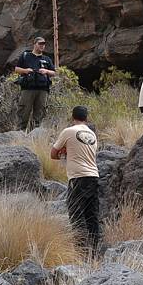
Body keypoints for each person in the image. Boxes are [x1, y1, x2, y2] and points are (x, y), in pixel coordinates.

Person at [51, 105, 101, 248]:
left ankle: (80, 249)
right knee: (92, 216)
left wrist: (64, 152)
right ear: (86, 118)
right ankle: (94, 251)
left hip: (78, 177)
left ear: (73, 117)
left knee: (76, 213)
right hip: (93, 176)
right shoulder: (92, 134)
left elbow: (53, 154)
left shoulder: (68, 131)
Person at [14, 37, 56, 130]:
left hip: (42, 90)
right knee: (23, 112)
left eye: (43, 44)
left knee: (39, 113)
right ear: (34, 44)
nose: (42, 46)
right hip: (28, 89)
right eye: (40, 43)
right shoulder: (25, 56)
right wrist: (26, 70)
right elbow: (16, 69)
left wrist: (46, 71)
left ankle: (34, 134)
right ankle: (19, 134)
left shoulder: (47, 59)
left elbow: (54, 72)